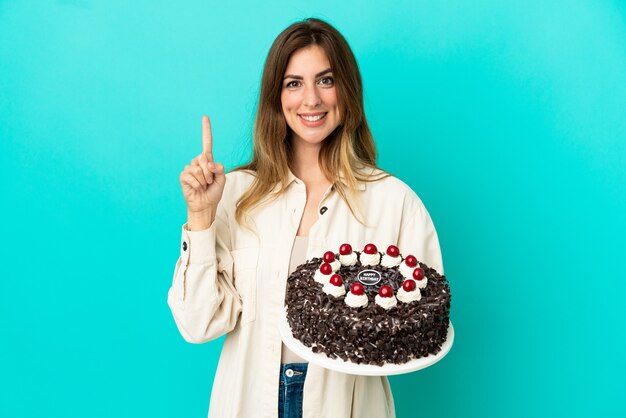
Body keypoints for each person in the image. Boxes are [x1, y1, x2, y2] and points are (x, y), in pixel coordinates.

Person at [167, 17, 444, 418]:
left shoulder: (394, 202)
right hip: (248, 401)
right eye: (293, 83)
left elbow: (418, 326)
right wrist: (201, 217)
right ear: (276, 97)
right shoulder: (236, 194)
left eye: (326, 80)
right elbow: (198, 324)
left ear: (346, 90)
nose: (311, 99)